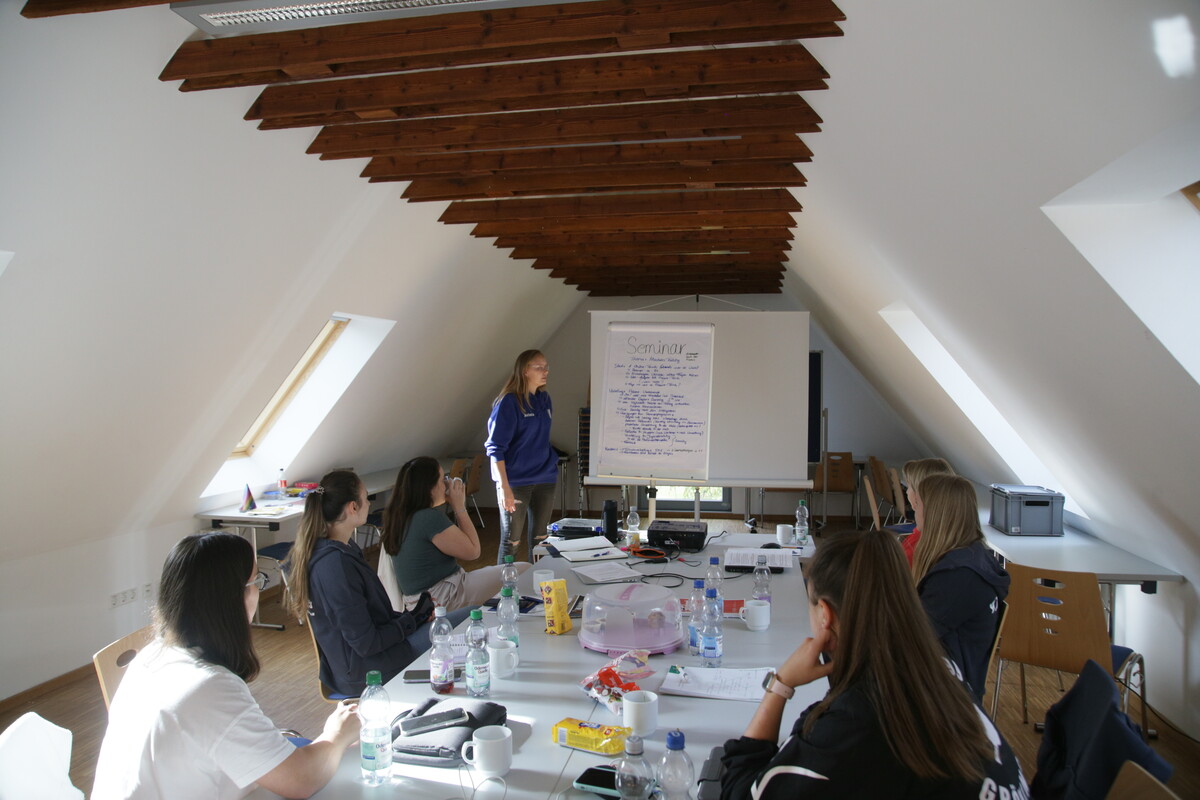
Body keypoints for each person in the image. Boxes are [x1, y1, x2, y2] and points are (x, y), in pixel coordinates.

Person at [720, 529, 1027, 799]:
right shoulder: (940, 670)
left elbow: (742, 792)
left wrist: (781, 684)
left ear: (825, 615)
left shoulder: (856, 719)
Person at [92, 532, 359, 800]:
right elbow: (300, 780)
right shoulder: (208, 688)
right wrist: (336, 733)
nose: (259, 590)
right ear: (232, 598)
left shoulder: (150, 656)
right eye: (257, 581)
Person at [286, 469, 460, 697]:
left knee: (461, 621)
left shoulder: (339, 550)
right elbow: (366, 643)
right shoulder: (336, 566)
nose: (369, 503)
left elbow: (370, 619)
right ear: (353, 507)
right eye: (366, 498)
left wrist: (416, 616)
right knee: (465, 622)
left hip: (370, 659)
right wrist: (413, 619)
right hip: (370, 671)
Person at [382, 456, 531, 610]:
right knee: (525, 570)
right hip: (442, 597)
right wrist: (459, 507)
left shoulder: (400, 516)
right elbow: (473, 551)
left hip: (422, 599)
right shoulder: (428, 518)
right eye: (442, 479)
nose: (447, 484)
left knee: (508, 572)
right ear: (430, 488)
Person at [911, 474, 1011, 703]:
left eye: (919, 504)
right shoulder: (973, 557)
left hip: (947, 696)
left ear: (936, 514)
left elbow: (913, 636)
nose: (914, 509)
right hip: (946, 679)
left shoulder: (958, 577)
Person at [485, 349, 559, 564]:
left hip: (545, 478)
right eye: (539, 367)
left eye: (546, 367)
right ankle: (505, 584)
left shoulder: (544, 399)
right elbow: (495, 448)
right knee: (511, 542)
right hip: (516, 482)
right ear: (525, 370)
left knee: (541, 540)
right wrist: (504, 487)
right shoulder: (509, 402)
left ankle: (537, 582)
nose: (545, 371)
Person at [900, 457, 956, 565]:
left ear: (919, 494)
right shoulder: (951, 534)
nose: (907, 491)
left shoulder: (918, 547)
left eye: (909, 486)